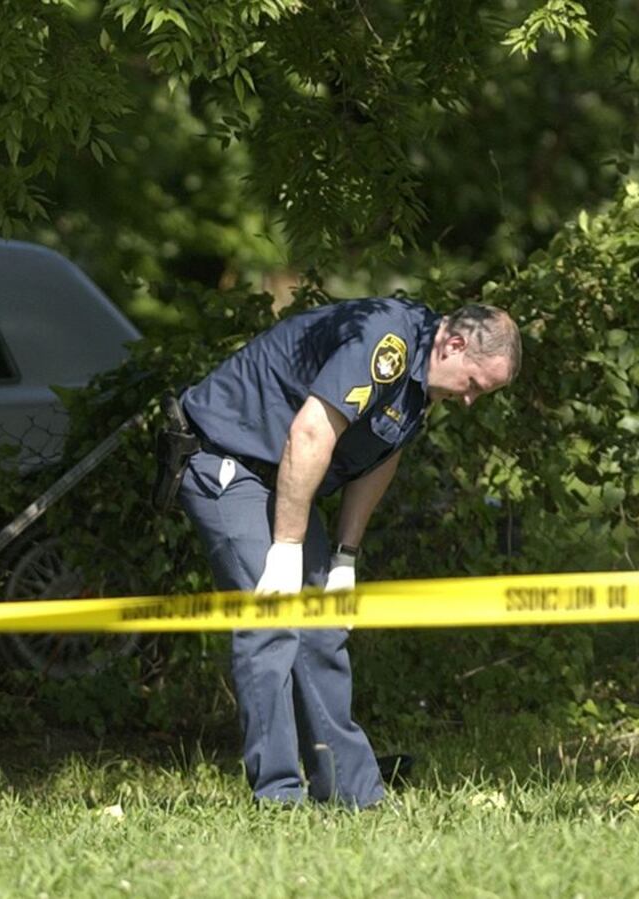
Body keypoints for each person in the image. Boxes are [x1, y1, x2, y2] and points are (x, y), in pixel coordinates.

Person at [177, 298, 521, 808]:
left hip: (287, 476)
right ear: (454, 345)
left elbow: (381, 454)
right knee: (271, 623)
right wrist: (288, 548)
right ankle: (278, 799)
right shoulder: (385, 343)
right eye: (474, 384)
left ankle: (353, 794)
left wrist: (344, 557)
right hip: (229, 461)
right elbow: (310, 432)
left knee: (321, 627)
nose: (471, 400)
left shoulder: (422, 377)